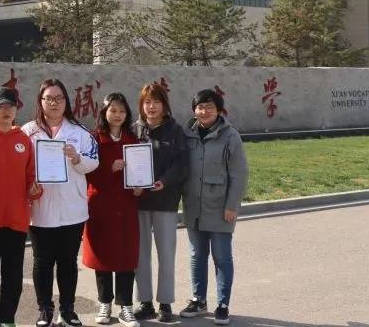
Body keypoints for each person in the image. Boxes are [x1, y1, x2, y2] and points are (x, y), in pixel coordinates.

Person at [21, 78, 99, 327]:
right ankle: (45, 310)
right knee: (42, 262)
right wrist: (28, 185)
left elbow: (94, 162)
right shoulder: (28, 131)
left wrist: (77, 158)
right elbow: (19, 166)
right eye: (48, 99)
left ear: (66, 101)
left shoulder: (79, 132)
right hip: (40, 208)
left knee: (67, 262)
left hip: (72, 209)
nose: (53, 103)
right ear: (40, 101)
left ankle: (67, 311)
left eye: (58, 98)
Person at [179, 89, 248, 326]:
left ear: (219, 110)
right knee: (197, 255)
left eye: (210, 107)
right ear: (194, 110)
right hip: (193, 206)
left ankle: (222, 304)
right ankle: (198, 300)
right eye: (200, 107)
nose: (204, 111)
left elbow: (239, 174)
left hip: (220, 207)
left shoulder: (230, 136)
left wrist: (232, 206)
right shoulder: (187, 135)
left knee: (222, 257)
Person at [0, 86, 41, 327]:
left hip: (16, 219)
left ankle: (8, 318)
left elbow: (31, 177)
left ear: (16, 110)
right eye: (1, 106)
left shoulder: (23, 140)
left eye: (10, 106)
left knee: (13, 274)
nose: (6, 111)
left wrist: (35, 189)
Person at [83, 93, 142, 327]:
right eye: (113, 110)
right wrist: (110, 168)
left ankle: (126, 306)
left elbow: (140, 172)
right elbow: (87, 174)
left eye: (122, 111)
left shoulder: (133, 140)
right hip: (101, 206)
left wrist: (140, 188)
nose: (117, 115)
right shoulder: (93, 139)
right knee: (103, 256)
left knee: (126, 255)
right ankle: (104, 302)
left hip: (126, 206)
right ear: (104, 112)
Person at [131, 81, 188, 324]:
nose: (151, 106)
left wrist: (165, 181)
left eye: (156, 101)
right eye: (147, 102)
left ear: (164, 105)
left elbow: (181, 164)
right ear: (141, 105)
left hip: (165, 200)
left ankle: (165, 302)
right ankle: (145, 302)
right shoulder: (133, 130)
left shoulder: (175, 131)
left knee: (166, 253)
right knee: (140, 254)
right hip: (139, 201)